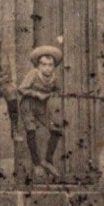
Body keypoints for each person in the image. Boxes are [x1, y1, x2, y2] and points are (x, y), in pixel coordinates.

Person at [17, 46, 66, 178]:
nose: (47, 68)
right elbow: (21, 89)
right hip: (28, 104)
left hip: (42, 107)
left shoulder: (54, 78)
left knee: (56, 129)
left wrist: (54, 94)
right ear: (38, 66)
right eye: (43, 65)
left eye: (50, 65)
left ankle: (47, 160)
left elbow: (57, 90)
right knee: (31, 130)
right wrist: (37, 94)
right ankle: (36, 164)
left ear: (54, 66)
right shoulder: (33, 74)